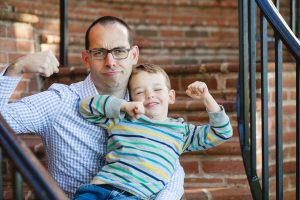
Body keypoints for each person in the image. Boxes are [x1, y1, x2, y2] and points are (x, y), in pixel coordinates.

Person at [0, 16, 185, 199]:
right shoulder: (59, 102)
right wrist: (17, 68)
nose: (110, 61)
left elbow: (171, 164)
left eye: (119, 51)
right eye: (99, 52)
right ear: (86, 58)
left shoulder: (146, 104)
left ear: (134, 55)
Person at [75, 64, 233, 200]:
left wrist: (206, 97)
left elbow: (222, 132)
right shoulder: (123, 118)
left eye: (157, 89)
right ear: (131, 99)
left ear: (171, 96)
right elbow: (86, 107)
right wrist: (123, 106)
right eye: (139, 92)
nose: (150, 95)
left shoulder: (182, 132)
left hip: (134, 196)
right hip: (99, 188)